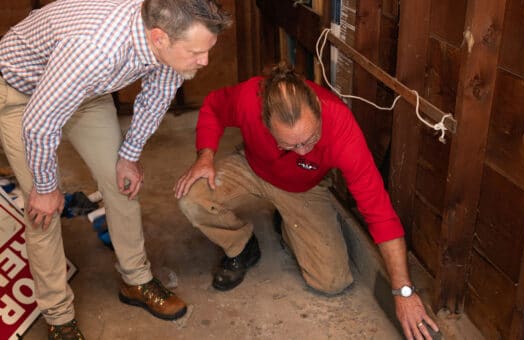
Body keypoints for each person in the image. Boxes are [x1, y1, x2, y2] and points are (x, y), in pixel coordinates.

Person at [0, 0, 231, 338]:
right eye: (196, 52)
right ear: (159, 38)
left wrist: (129, 155)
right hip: (23, 93)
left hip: (88, 89)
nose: (205, 60)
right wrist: (48, 188)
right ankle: (59, 315)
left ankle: (135, 280)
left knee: (121, 181)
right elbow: (40, 122)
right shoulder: (96, 49)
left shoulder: (167, 35)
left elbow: (157, 93)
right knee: (43, 210)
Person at [174, 62, 439, 339]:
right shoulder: (248, 99)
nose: (303, 151)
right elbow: (214, 107)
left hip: (303, 189)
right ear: (265, 120)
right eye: (290, 144)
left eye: (310, 139)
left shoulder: (341, 127)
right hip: (252, 167)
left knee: (332, 281)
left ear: (317, 108)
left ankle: (287, 224)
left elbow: (379, 212)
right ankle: (241, 246)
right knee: (192, 198)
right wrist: (205, 156)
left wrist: (403, 291)